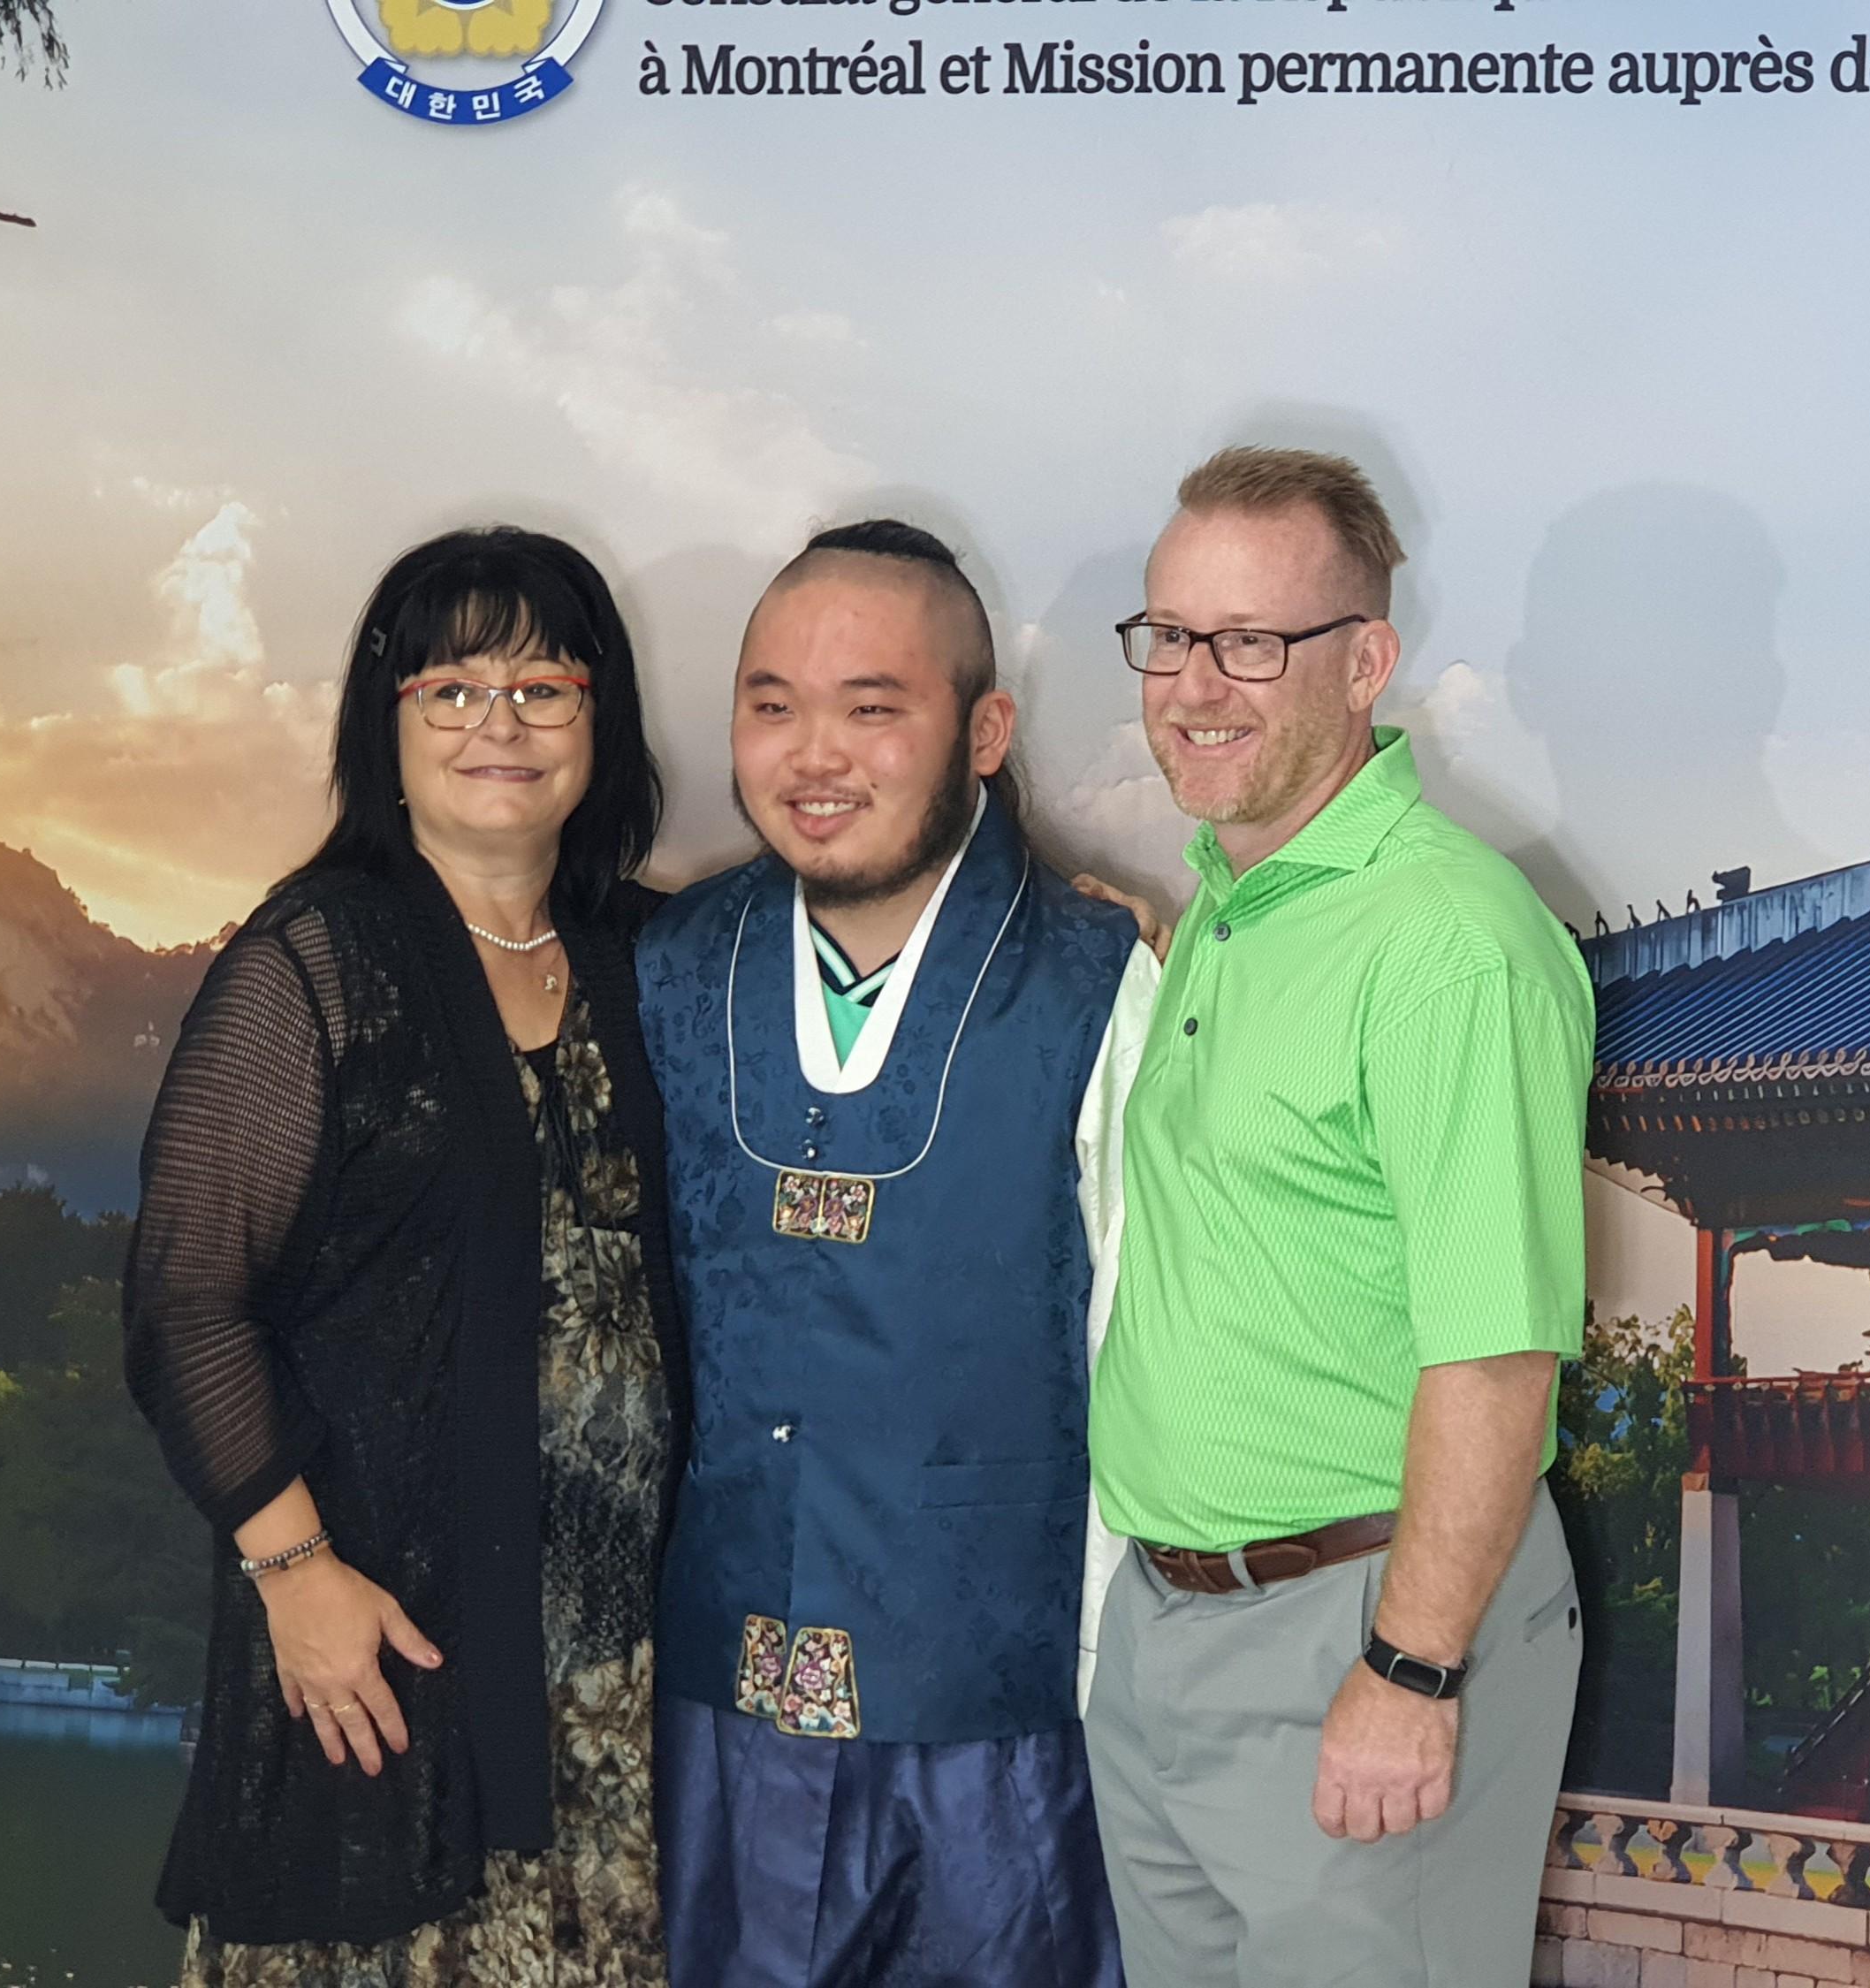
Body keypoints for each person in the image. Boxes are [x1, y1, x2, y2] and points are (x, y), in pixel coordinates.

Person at [125, 526, 685, 1981]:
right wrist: (295, 1572)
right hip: (380, 1660)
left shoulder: (656, 955)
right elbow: (188, 1302)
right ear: (387, 725)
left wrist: (1057, 901)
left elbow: (860, 929)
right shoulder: (316, 961)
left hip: (622, 1707)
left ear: (601, 718)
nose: (499, 723)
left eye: (542, 687)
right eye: (450, 688)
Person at [1085, 449, 1592, 1987]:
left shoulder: (1448, 943)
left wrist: (1409, 1667)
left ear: (1368, 662)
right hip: (1163, 1631)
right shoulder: (1230, 903)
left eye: (1252, 641)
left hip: (1359, 1632)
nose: (1194, 684)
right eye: (1170, 635)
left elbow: (1497, 1354)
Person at [634, 519, 1152, 1987]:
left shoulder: (1094, 980)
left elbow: (1140, 1341)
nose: (816, 755)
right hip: (719, 1713)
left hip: (1000, 1729)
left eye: (873, 708)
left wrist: (1116, 1690)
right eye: (772, 705)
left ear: (984, 733)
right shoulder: (668, 968)